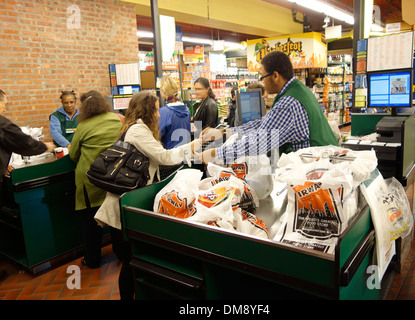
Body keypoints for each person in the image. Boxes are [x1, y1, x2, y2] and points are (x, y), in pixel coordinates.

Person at [94, 91, 200, 300]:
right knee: (129, 262)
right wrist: (194, 146)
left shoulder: (139, 129)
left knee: (131, 260)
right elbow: (163, 157)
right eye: (156, 109)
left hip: (129, 202)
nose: (159, 114)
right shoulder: (137, 130)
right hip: (121, 208)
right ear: (146, 110)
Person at [198, 51, 338, 165]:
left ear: (275, 76)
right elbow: (263, 123)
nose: (262, 82)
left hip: (315, 171)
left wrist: (215, 154)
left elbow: (258, 143)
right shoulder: (299, 90)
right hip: (321, 164)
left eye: (263, 76)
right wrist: (224, 133)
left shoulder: (288, 103)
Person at [0, 89, 55, 280]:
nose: (6, 106)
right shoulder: (1, 123)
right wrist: (45, 147)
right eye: (5, 102)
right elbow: (23, 143)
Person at [69, 90, 123, 269]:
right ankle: (121, 253)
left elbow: (73, 154)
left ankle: (92, 259)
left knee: (92, 221)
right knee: (115, 215)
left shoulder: (83, 126)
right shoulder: (116, 119)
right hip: (114, 176)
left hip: (91, 179)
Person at [158, 77, 191, 149]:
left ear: (163, 91)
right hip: (184, 154)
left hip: (169, 155)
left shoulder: (164, 112)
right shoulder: (186, 110)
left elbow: (157, 136)